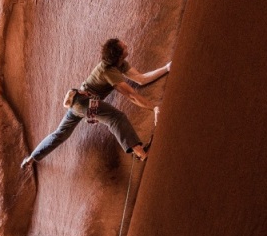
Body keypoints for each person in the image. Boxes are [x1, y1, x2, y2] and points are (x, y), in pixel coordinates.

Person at [21, 38, 170, 167]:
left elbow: (141, 79)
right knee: (116, 118)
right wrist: (154, 108)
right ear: (118, 55)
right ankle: (140, 152)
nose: (126, 45)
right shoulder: (108, 71)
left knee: (60, 134)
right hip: (84, 102)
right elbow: (131, 95)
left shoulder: (120, 64)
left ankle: (32, 158)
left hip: (79, 104)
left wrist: (167, 68)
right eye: (124, 46)